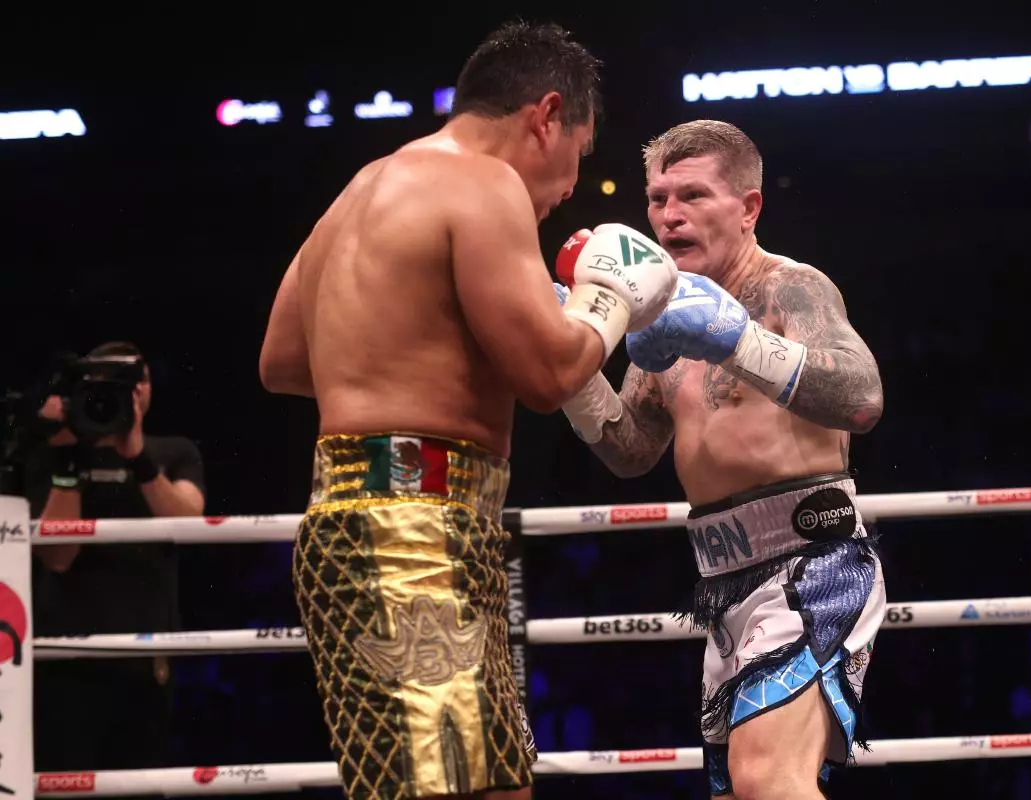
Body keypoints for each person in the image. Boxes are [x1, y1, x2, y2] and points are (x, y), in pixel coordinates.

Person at [257, 21, 678, 800]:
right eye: (575, 158)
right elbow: (550, 373)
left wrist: (415, 351)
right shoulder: (485, 183)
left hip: (401, 519)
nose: (566, 189)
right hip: (408, 528)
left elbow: (282, 360)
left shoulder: (366, 184)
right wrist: (608, 302)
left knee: (493, 785)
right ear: (544, 117)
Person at [555, 120, 887, 799]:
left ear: (748, 208)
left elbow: (861, 397)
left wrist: (739, 342)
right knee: (744, 790)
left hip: (812, 567)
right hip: (724, 587)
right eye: (658, 199)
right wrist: (569, 360)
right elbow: (630, 451)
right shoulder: (654, 316)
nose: (670, 215)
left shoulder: (793, 290)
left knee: (768, 781)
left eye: (694, 196)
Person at [23, 341, 205, 783]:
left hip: (144, 656)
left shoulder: (172, 452)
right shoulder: (51, 455)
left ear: (146, 389)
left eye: (132, 381)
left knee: (139, 784)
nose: (125, 393)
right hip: (63, 655)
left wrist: (137, 457)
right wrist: (69, 458)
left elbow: (188, 523)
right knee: (63, 783)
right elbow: (58, 556)